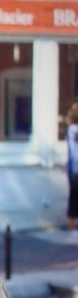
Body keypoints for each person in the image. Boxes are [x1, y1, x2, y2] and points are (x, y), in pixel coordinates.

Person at [66, 100, 78, 234]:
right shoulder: (73, 130)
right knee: (74, 196)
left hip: (74, 168)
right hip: (75, 169)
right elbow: (73, 153)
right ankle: (72, 225)